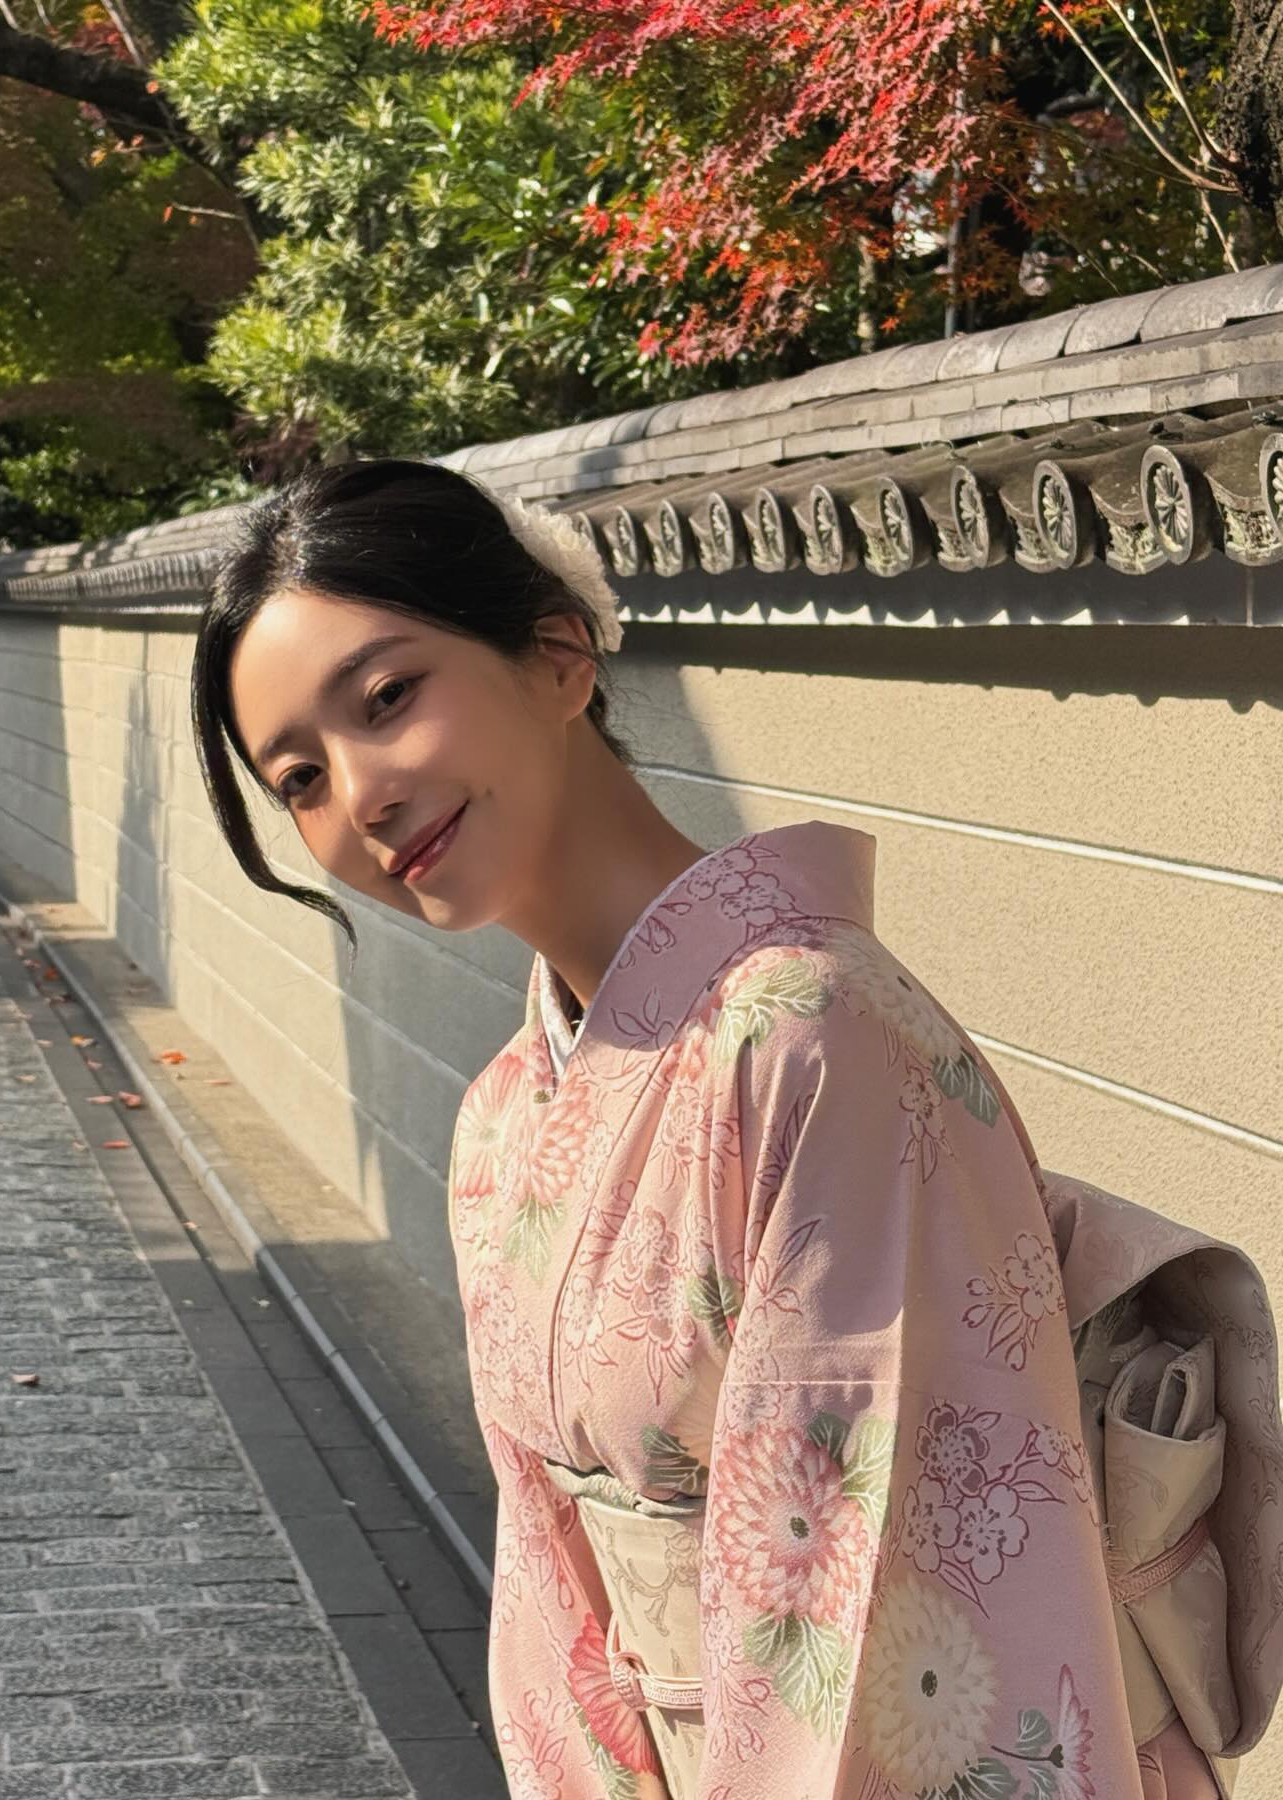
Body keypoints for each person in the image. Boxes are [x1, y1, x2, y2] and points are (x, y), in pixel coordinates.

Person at [191, 457, 1277, 1799]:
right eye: (299, 778)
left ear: (558, 655)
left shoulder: (815, 1037)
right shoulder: (502, 1123)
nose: (360, 797)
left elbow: (887, 1588)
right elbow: (549, 1587)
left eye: (388, 697)